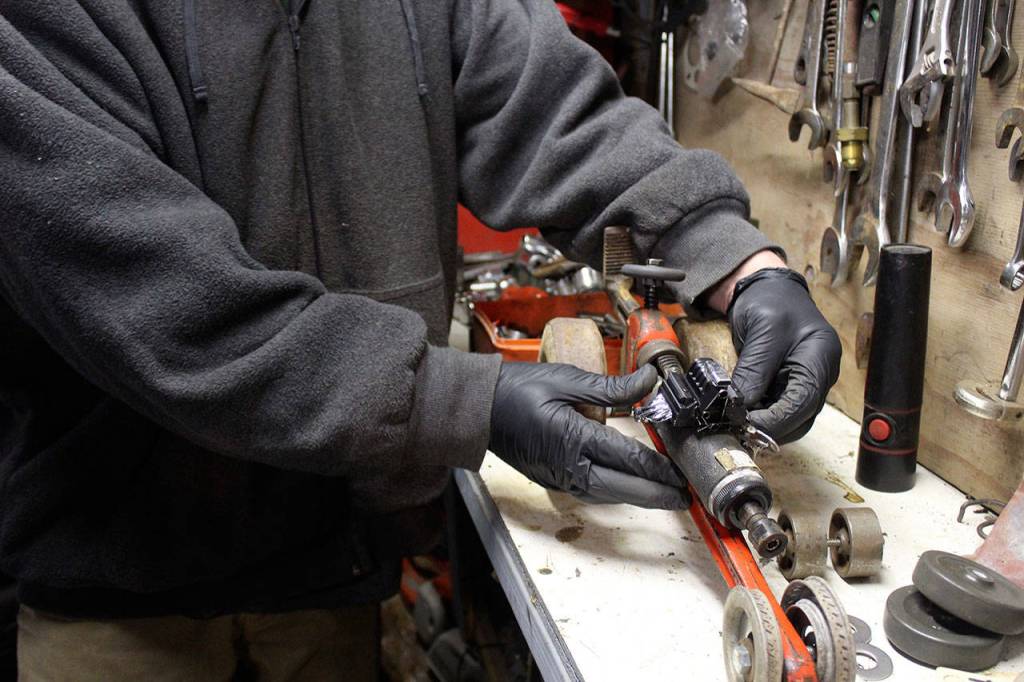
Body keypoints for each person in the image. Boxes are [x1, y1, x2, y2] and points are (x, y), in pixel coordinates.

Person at [0, 1, 841, 679]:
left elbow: (554, 115)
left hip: (334, 561)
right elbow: (158, 303)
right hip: (119, 594)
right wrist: (458, 402)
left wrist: (737, 262)